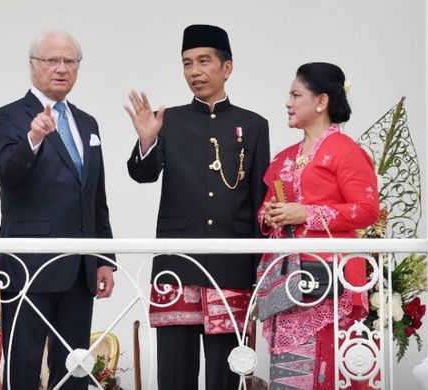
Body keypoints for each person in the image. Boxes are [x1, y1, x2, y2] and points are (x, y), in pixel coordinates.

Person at [126, 25, 270, 390]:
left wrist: (258, 275)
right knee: (174, 373)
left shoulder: (253, 125)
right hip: (177, 262)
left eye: (204, 62)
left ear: (227, 68)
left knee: (227, 374)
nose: (194, 72)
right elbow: (142, 175)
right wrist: (146, 140)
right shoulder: (168, 120)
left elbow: (258, 201)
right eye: (187, 63)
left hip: (232, 267)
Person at [0, 30, 115, 390]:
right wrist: (33, 139)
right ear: (33, 66)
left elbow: (95, 197)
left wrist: (103, 257)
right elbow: (8, 176)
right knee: (23, 363)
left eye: (69, 61)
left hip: (79, 266)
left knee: (75, 365)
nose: (61, 69)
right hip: (30, 263)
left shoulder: (87, 123)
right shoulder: (8, 117)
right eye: (52, 61)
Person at [257, 62, 379, 389]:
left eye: (296, 95)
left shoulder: (345, 151)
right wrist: (270, 215)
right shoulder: (283, 157)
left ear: (321, 101)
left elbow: (367, 210)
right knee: (288, 372)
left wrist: (306, 214)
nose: (288, 102)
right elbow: (266, 207)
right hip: (286, 283)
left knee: (324, 370)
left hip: (329, 280)